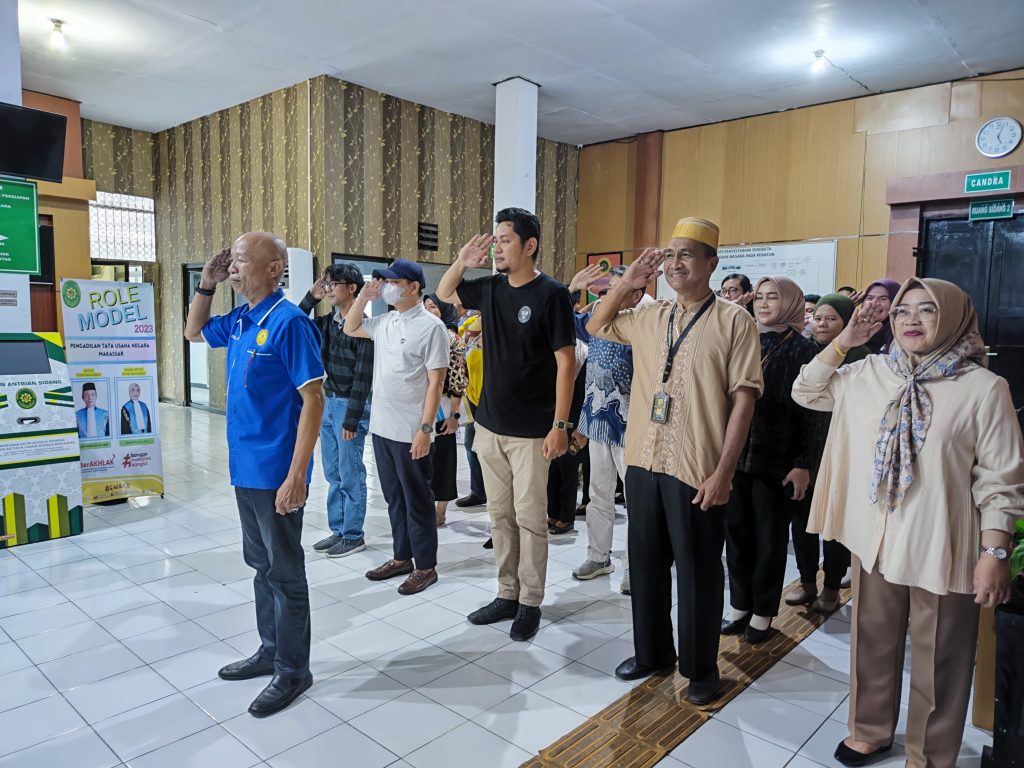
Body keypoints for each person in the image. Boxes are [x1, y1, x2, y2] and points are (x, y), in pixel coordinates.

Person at [793, 277, 1024, 768]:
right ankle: (869, 730)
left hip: (943, 540)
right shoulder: (869, 373)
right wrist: (844, 342)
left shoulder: (983, 388)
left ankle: (930, 754)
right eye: (902, 311)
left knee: (941, 655)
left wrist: (995, 551)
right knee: (871, 639)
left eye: (927, 310)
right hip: (876, 538)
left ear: (954, 317)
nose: (911, 320)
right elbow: (806, 391)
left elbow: (1001, 479)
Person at [587, 217, 762, 706]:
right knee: (644, 565)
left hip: (696, 467)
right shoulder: (650, 315)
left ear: (712, 263)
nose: (676, 263)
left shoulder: (734, 320)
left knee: (698, 571)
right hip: (643, 459)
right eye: (670, 255)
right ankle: (653, 654)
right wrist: (628, 281)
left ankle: (701, 668)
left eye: (688, 254)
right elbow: (596, 324)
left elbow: (744, 399)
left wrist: (724, 472)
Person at [184, 232, 324, 718]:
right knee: (261, 565)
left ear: (273, 269)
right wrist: (205, 284)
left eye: (242, 260)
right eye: (232, 259)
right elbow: (194, 333)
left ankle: (294, 669)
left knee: (284, 571)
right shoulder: (243, 319)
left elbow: (314, 400)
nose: (234, 266)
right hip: (244, 467)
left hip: (277, 471)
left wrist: (297, 475)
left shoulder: (289, 322)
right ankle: (270, 650)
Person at [437, 207, 576, 642]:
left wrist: (560, 425)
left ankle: (531, 601)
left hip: (533, 431)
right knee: (499, 517)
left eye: (505, 240)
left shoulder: (552, 294)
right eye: (495, 240)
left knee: (530, 519)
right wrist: (463, 261)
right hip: (490, 425)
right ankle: (507, 593)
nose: (497, 247)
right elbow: (445, 292)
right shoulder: (492, 288)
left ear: (529, 246)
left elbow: (566, 363)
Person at [721, 276, 825, 644]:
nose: (763, 304)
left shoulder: (805, 350)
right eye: (760, 297)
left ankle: (763, 613)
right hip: (735, 458)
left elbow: (814, 414)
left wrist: (803, 463)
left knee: (769, 541)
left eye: (773, 297)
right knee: (736, 537)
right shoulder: (744, 339)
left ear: (792, 302)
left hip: (779, 462)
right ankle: (739, 606)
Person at [345, 260, 449, 595]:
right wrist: (364, 296)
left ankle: (426, 567)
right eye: (385, 282)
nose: (388, 287)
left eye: (394, 282)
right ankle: (402, 557)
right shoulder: (386, 321)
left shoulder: (431, 327)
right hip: (382, 427)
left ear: (414, 287)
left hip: (410, 430)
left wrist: (425, 429)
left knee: (417, 500)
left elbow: (436, 384)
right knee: (394, 498)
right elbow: (350, 327)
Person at [568, 264, 648, 593]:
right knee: (597, 495)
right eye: (608, 289)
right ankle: (599, 557)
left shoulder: (644, 323)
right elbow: (562, 320)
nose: (607, 295)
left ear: (636, 294)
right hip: (597, 420)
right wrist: (572, 289)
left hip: (632, 426)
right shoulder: (596, 320)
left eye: (617, 288)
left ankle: (636, 567)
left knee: (636, 501)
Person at [785, 293, 867, 612]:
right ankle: (806, 582)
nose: (821, 324)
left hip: (843, 455)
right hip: (805, 455)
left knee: (835, 525)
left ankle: (831, 587)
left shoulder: (862, 359)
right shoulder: (806, 354)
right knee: (802, 521)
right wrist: (800, 460)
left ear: (846, 322)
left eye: (831, 318)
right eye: (818, 318)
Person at [300, 263, 374, 559]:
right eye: (326, 284)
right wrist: (311, 298)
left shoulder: (364, 326)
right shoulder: (327, 322)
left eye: (334, 284)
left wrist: (353, 419)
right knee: (333, 473)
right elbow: (294, 323)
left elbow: (363, 377)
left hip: (349, 405)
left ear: (353, 288)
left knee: (350, 472)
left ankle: (354, 535)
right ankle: (339, 529)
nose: (329, 289)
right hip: (328, 401)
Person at [423, 294, 469, 527]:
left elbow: (458, 380)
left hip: (443, 407)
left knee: (443, 460)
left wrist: (454, 415)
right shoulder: (423, 334)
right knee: (424, 458)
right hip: (422, 406)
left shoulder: (452, 338)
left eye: (433, 306)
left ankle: (440, 511)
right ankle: (425, 506)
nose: (428, 311)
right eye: (425, 307)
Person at [546, 339, 588, 535]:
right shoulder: (554, 351)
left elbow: (584, 395)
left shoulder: (583, 354)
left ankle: (566, 516)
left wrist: (580, 426)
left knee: (568, 471)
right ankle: (553, 512)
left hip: (574, 422)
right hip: (554, 418)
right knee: (552, 468)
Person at [860, 279, 900, 354]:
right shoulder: (856, 327)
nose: (874, 303)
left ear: (896, 302)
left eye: (883, 299)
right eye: (870, 298)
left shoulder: (899, 333)